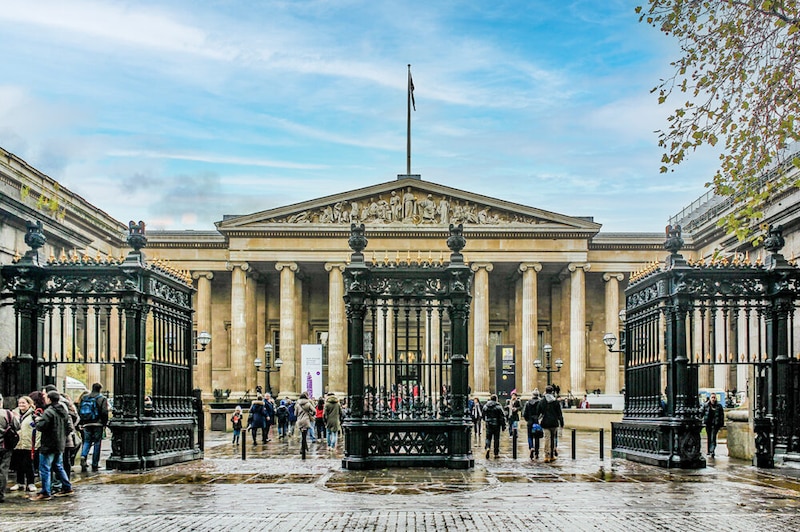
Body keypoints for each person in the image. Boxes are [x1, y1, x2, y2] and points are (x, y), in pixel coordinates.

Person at [32, 390, 73, 500]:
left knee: (44, 468)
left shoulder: (49, 411)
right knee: (58, 466)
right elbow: (69, 427)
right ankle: (67, 487)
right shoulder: (63, 411)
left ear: (49, 399)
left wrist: (37, 420)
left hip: (48, 444)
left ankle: (45, 492)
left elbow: (41, 426)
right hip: (60, 443)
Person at [78, 382, 109, 472]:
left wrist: (82, 422)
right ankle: (95, 463)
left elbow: (80, 410)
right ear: (100, 389)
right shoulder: (102, 398)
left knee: (87, 441)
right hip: (98, 423)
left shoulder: (85, 397)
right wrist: (104, 423)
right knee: (97, 443)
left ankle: (83, 455)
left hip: (87, 423)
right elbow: (104, 412)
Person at [10, 395, 37, 493]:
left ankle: (31, 483)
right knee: (18, 464)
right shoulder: (14, 414)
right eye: (20, 403)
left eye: (23, 403)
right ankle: (19, 482)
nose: (21, 405)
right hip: (17, 443)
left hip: (29, 443)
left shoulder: (33, 414)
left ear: (29, 404)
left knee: (28, 464)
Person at [0, 393, 22, 503]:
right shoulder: (8, 414)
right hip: (5, 446)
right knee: (3, 470)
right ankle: (0, 494)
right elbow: (17, 426)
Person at [537, 385, 564, 463]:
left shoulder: (542, 401)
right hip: (554, 423)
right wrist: (561, 423)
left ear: (545, 391)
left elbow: (538, 412)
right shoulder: (555, 402)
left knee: (547, 438)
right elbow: (559, 414)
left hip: (545, 423)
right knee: (553, 439)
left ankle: (546, 456)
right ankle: (552, 456)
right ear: (552, 392)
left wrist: (538, 420)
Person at [482, 394, 506, 459]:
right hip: (496, 424)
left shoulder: (486, 406)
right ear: (496, 399)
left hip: (488, 423)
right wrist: (503, 425)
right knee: (496, 439)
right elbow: (502, 416)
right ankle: (496, 453)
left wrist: (486, 420)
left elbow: (483, 415)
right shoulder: (498, 406)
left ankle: (487, 447)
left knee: (488, 438)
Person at [523, 389, 543, 460]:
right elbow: (542, 412)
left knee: (530, 436)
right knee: (537, 437)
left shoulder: (528, 403)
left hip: (530, 421)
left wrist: (528, 420)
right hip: (537, 421)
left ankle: (531, 447)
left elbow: (524, 414)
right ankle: (537, 453)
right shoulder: (540, 402)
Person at [702, 393, 725, 457]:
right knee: (709, 437)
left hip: (715, 424)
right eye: (712, 397)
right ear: (710, 398)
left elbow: (721, 416)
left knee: (713, 437)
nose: (713, 399)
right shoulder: (706, 405)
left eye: (714, 397)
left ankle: (712, 451)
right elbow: (702, 413)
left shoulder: (719, 406)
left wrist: (721, 424)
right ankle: (709, 451)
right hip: (708, 424)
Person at [295, 392, 315, 459]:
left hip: (300, 421)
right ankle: (303, 448)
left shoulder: (297, 405)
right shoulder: (308, 404)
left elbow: (295, 414)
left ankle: (303, 448)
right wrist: (310, 414)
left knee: (302, 435)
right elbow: (314, 411)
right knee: (305, 435)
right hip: (306, 420)